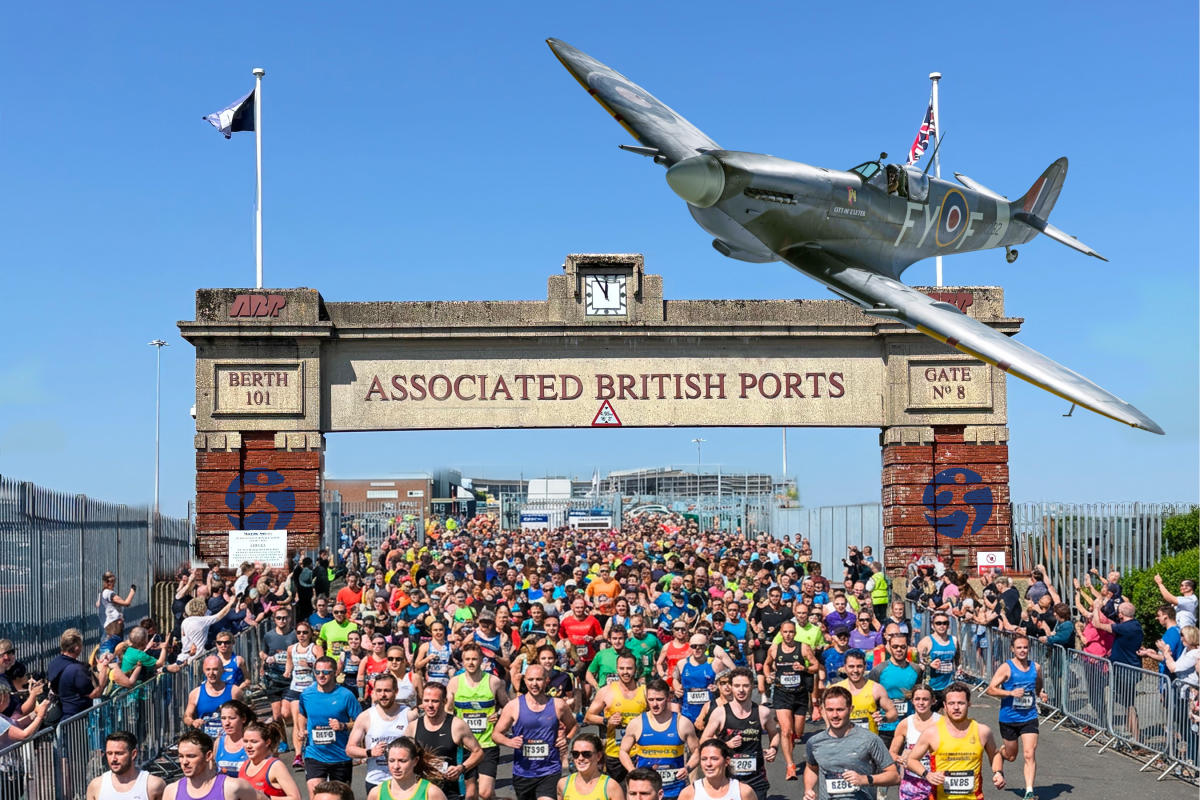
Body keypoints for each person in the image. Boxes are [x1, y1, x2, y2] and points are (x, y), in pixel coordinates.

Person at [905, 682, 1006, 800]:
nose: (956, 707)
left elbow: (995, 754)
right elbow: (911, 760)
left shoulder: (982, 731)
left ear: (969, 704)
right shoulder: (932, 733)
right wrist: (927, 774)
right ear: (945, 705)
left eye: (961, 703)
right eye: (951, 703)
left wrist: (998, 772)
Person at [492, 664, 578, 800]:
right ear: (525, 681)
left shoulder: (558, 705)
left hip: (550, 769)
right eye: (530, 679)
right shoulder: (514, 706)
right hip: (523, 772)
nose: (534, 684)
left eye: (539, 679)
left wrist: (566, 739)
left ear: (546, 680)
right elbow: (496, 734)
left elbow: (574, 726)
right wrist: (509, 741)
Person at [803, 685, 899, 800]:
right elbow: (811, 768)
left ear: (850, 709)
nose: (834, 715)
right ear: (823, 710)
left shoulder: (869, 739)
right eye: (830, 710)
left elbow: (894, 776)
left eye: (840, 710)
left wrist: (865, 779)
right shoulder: (814, 742)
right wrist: (808, 789)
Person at [699, 668, 779, 800]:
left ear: (752, 686)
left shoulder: (763, 712)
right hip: (728, 779)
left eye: (745, 686)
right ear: (731, 687)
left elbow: (774, 734)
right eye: (737, 686)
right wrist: (725, 745)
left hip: (756, 778)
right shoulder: (720, 712)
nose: (741, 690)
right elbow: (704, 740)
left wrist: (773, 748)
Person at [985, 634, 1047, 800]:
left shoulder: (1036, 667)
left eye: (1025, 647)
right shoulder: (1006, 667)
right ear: (1012, 649)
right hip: (1009, 718)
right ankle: (1000, 754)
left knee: (1029, 753)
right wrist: (1010, 693)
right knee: (1011, 756)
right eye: (1019, 647)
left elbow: (1038, 682)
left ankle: (1029, 791)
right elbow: (990, 689)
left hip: (1029, 717)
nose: (1022, 650)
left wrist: (1040, 692)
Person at [447, 642, 509, 800]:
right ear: (462, 661)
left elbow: (508, 707)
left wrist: (499, 715)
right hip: (465, 746)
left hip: (487, 743)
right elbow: (447, 710)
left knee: (485, 793)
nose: (471, 663)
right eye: (467, 659)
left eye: (474, 659)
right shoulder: (455, 682)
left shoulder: (493, 681)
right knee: (470, 794)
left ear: (481, 660)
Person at [620, 678, 700, 800]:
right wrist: (633, 771)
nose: (654, 704)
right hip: (646, 792)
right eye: (651, 700)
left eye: (659, 699)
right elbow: (623, 751)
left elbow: (697, 752)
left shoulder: (683, 723)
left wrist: (687, 768)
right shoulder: (636, 723)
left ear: (668, 698)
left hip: (675, 790)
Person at [295, 655, 362, 797]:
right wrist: (301, 729)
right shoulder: (307, 694)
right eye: (317, 672)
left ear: (335, 673)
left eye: (326, 672)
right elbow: (302, 714)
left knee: (340, 797)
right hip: (314, 754)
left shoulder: (346, 695)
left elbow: (361, 722)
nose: (321, 675)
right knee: (315, 794)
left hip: (340, 755)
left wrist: (343, 725)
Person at [411, 681, 484, 800]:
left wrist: (461, 768)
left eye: (435, 701)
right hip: (422, 791)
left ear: (444, 701)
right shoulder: (413, 727)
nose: (430, 705)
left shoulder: (457, 725)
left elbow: (478, 752)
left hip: (450, 792)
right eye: (426, 701)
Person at [762, 620, 817, 780]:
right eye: (785, 632)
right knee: (786, 731)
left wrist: (804, 668)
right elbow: (766, 665)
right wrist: (768, 675)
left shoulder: (803, 647)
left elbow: (815, 665)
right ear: (781, 633)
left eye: (791, 632)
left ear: (795, 633)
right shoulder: (774, 649)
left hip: (800, 694)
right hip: (782, 693)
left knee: (797, 733)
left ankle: (790, 747)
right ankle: (790, 765)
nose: (788, 635)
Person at [584, 650, 647, 782]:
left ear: (635, 669)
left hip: (639, 752)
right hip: (614, 752)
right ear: (617, 669)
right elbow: (588, 717)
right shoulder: (606, 691)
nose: (625, 672)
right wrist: (606, 720)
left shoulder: (645, 691)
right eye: (622, 668)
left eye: (629, 668)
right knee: (615, 790)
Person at [348, 673, 413, 796]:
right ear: (374, 692)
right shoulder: (366, 716)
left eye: (387, 690)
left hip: (403, 782)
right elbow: (350, 749)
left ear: (396, 691)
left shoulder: (408, 714)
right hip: (376, 781)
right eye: (379, 691)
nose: (383, 695)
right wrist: (370, 752)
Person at [1090, 600, 1144, 739]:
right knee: (1127, 703)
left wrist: (1096, 608)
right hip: (1129, 667)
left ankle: (1136, 737)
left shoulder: (1124, 628)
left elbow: (1097, 624)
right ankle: (1131, 733)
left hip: (1125, 670)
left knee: (1129, 704)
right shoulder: (1136, 625)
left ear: (1121, 614)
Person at [163, 730, 257, 800]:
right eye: (181, 756)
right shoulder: (171, 791)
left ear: (208, 756)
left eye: (191, 756)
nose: (184, 762)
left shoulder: (233, 787)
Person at [869, 632, 923, 751]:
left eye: (903, 647)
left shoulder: (916, 669)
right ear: (889, 647)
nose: (899, 650)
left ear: (908, 647)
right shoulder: (878, 670)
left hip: (908, 725)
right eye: (895, 646)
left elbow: (919, 695)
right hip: (885, 727)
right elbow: (871, 697)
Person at [887, 683, 940, 800]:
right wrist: (900, 759)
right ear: (912, 701)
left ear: (933, 701)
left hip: (936, 781)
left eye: (925, 699)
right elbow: (892, 753)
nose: (921, 703)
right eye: (917, 699)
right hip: (912, 784)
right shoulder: (905, 724)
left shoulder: (942, 723)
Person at [86, 731, 167, 800]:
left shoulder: (153, 785)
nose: (113, 759)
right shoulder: (96, 786)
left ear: (133, 754)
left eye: (119, 753)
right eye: (109, 753)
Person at [831, 650, 896, 735]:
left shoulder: (876, 688)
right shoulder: (836, 689)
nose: (855, 670)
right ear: (845, 667)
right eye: (851, 666)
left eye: (859, 666)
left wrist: (883, 718)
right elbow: (825, 712)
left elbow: (893, 713)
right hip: (844, 740)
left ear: (865, 667)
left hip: (869, 740)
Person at [366, 736, 450, 800]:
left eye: (402, 761)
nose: (396, 766)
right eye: (391, 761)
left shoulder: (431, 793)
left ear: (415, 761)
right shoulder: (376, 793)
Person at [48, 628, 106, 718]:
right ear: (77, 648)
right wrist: (103, 670)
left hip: (62, 715)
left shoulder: (54, 663)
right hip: (78, 718)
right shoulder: (76, 670)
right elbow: (95, 694)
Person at [238, 720, 301, 799]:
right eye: (245, 741)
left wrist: (265, 798)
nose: (248, 746)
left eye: (254, 742)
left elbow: (296, 798)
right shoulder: (244, 765)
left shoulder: (275, 766)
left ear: (267, 742)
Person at [184, 656, 243, 740]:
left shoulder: (234, 691)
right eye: (208, 669)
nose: (211, 673)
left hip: (229, 740)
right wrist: (193, 722)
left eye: (215, 669)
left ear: (222, 670)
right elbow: (187, 716)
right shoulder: (195, 693)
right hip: (205, 741)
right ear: (204, 671)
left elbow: (245, 715)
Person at [676, 739, 755, 800]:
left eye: (714, 759)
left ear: (727, 761)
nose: (708, 764)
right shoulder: (689, 793)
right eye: (704, 759)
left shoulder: (743, 792)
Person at [260, 609, 298, 733]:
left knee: (286, 713)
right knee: (277, 716)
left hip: (290, 679)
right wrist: (265, 661)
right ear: (274, 620)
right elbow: (263, 652)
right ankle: (283, 740)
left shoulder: (295, 635)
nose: (282, 620)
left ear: (290, 619)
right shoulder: (269, 636)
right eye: (279, 618)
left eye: (285, 618)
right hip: (273, 679)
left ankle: (294, 732)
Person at [559, 732, 624, 800]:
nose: (580, 758)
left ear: (598, 756)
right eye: (575, 754)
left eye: (586, 754)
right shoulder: (563, 784)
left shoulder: (611, 787)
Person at [916, 613, 959, 710]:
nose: (942, 626)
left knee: (950, 715)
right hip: (931, 687)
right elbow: (917, 663)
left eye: (945, 623)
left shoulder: (954, 640)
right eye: (938, 623)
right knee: (930, 716)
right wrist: (929, 665)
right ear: (933, 625)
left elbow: (957, 660)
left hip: (949, 686)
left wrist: (958, 670)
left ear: (948, 625)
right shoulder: (926, 642)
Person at [675, 634, 717, 724]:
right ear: (690, 646)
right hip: (687, 712)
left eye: (701, 646)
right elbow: (675, 679)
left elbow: (726, 681)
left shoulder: (714, 663)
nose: (697, 649)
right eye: (694, 646)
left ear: (706, 646)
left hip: (709, 712)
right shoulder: (682, 663)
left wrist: (717, 688)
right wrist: (677, 688)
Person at [215, 699, 256, 778]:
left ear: (243, 719)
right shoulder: (218, 742)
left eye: (232, 718)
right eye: (223, 718)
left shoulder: (253, 743)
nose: (227, 723)